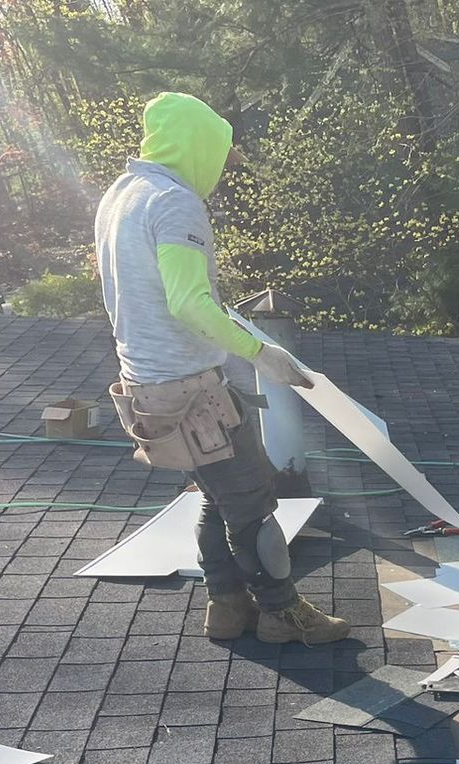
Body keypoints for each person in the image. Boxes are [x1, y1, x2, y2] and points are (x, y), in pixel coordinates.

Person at [95, 91, 350, 645]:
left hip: (149, 389)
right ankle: (285, 615)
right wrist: (264, 355)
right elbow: (188, 303)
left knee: (218, 496)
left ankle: (228, 608)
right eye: (219, 153)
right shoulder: (173, 202)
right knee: (255, 500)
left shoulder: (121, 195)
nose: (222, 169)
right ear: (197, 146)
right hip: (191, 393)